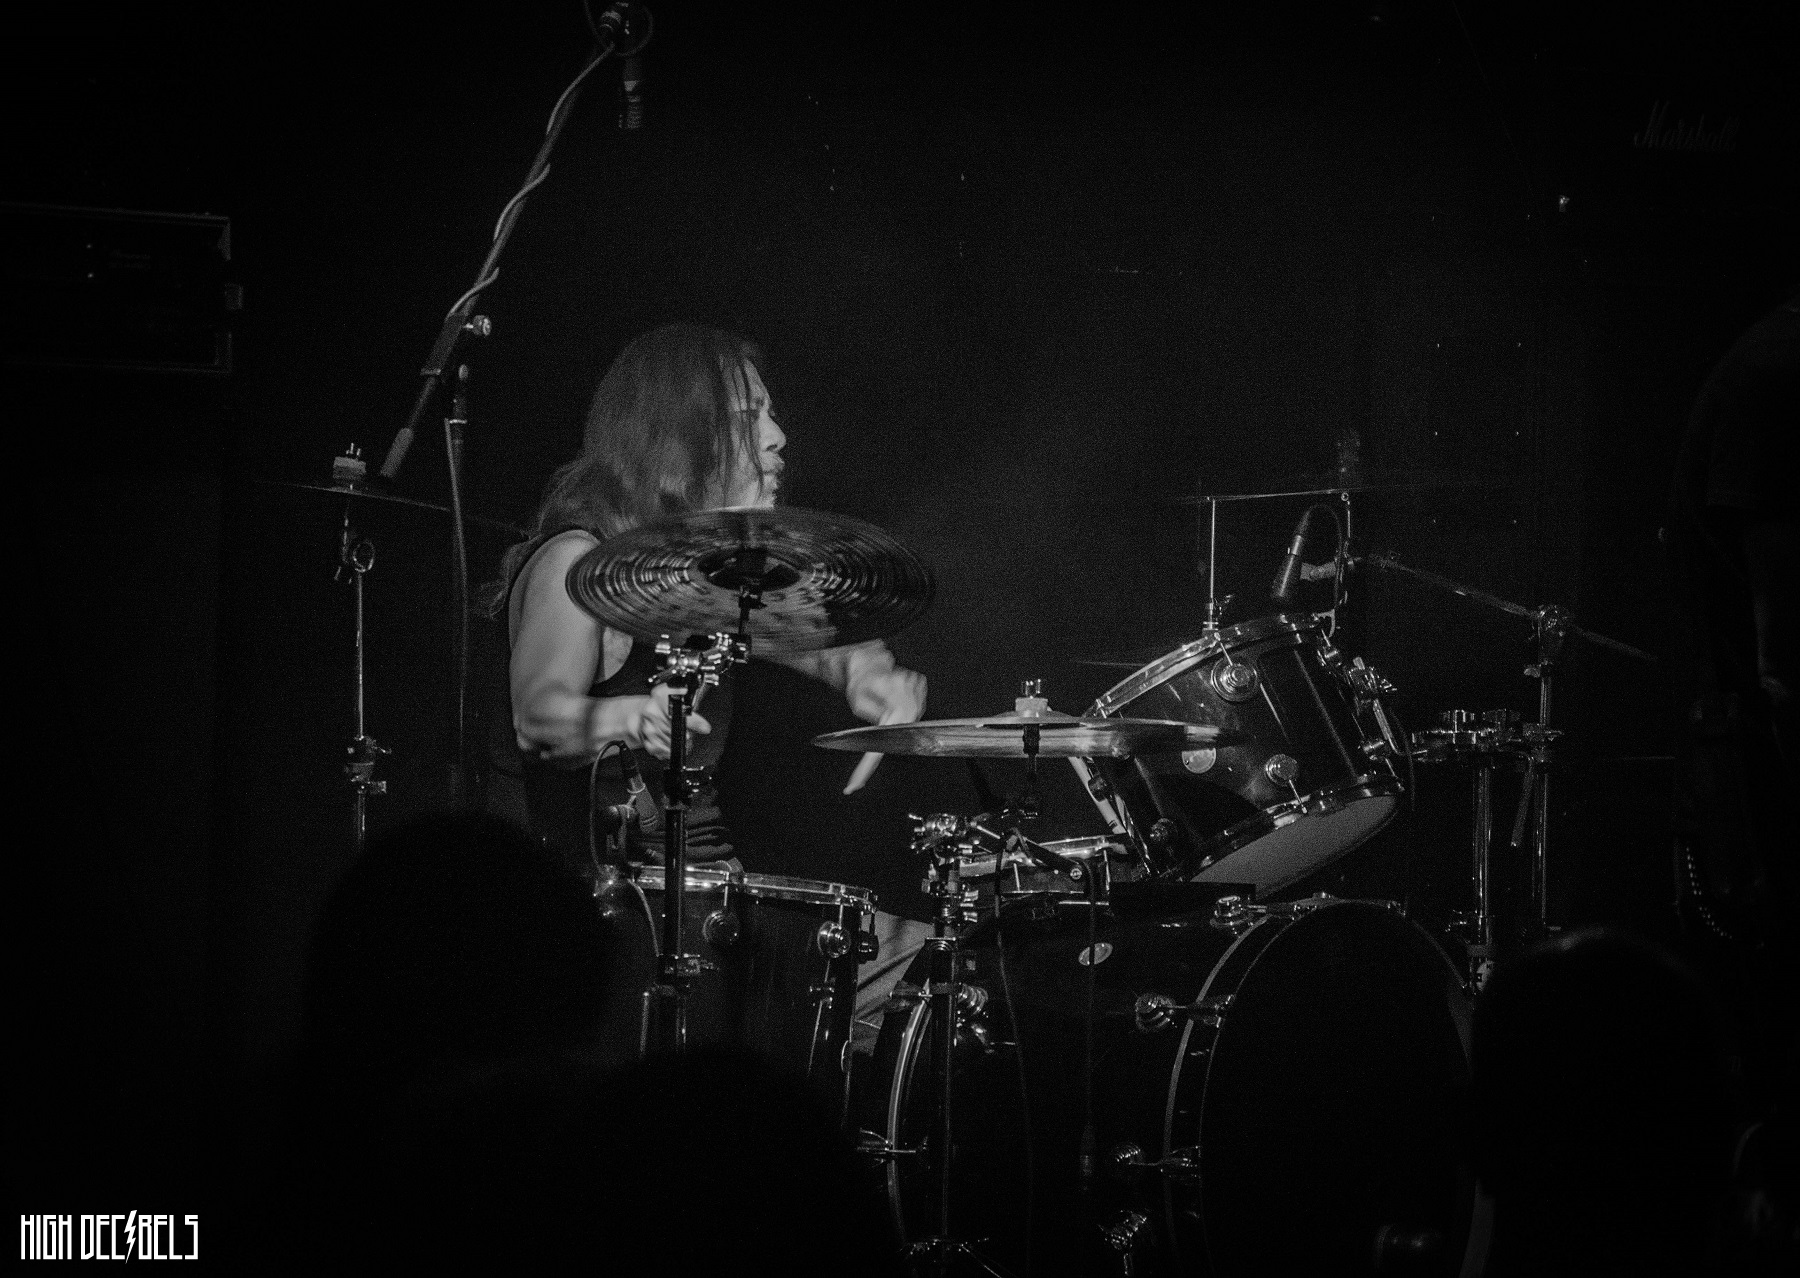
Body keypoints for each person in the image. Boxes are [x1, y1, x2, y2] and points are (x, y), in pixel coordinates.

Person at [486, 322, 930, 1041]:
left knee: (933, 977)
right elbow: (538, 719)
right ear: (679, 439)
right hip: (617, 915)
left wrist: (872, 675)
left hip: (718, 899)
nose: (778, 439)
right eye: (750, 419)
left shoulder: (698, 582)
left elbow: (823, 641)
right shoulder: (577, 561)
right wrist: (634, 718)